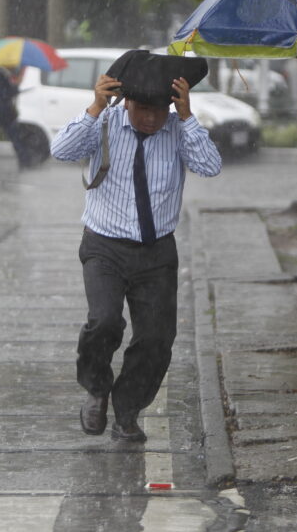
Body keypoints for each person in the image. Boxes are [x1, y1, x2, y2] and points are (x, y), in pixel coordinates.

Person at [50, 61, 222, 443]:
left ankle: (127, 411)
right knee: (104, 322)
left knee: (157, 339)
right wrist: (95, 106)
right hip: (104, 246)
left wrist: (187, 116)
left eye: (160, 110)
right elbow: (60, 150)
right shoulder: (105, 123)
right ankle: (96, 389)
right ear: (126, 102)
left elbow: (210, 166)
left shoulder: (177, 130)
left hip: (156, 252)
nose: (151, 119)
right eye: (143, 109)